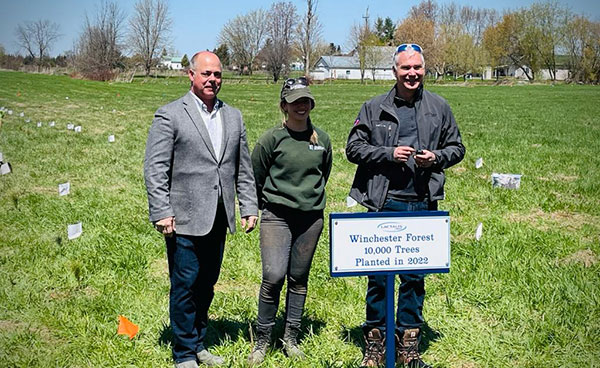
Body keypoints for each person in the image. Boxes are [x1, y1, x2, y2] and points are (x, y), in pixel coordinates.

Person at [346, 44, 465, 367]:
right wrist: (387, 154)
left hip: (423, 203)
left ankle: (408, 344)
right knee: (379, 279)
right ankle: (375, 342)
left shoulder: (439, 107)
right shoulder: (374, 107)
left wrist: (437, 158)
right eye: (405, 68)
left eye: (417, 68)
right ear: (394, 72)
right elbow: (353, 148)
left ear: (424, 70)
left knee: (414, 278)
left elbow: (457, 147)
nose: (412, 73)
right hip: (384, 202)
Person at [144, 51, 258, 368]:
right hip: (182, 217)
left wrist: (248, 205)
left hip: (219, 215)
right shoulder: (170, 115)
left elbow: (243, 168)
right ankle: (183, 354)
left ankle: (198, 343)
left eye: (217, 74)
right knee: (185, 284)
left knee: (207, 283)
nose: (212, 80)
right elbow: (155, 168)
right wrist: (161, 210)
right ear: (190, 75)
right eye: (206, 73)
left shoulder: (233, 116)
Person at [247, 77, 332, 365]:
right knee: (273, 276)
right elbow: (255, 175)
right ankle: (262, 339)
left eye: (306, 101)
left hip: (310, 220)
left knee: (299, 279)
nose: (301, 106)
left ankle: (291, 337)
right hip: (276, 217)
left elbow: (324, 174)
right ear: (284, 105)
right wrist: (258, 208)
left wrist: (308, 202)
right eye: (295, 101)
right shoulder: (271, 139)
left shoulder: (322, 140)